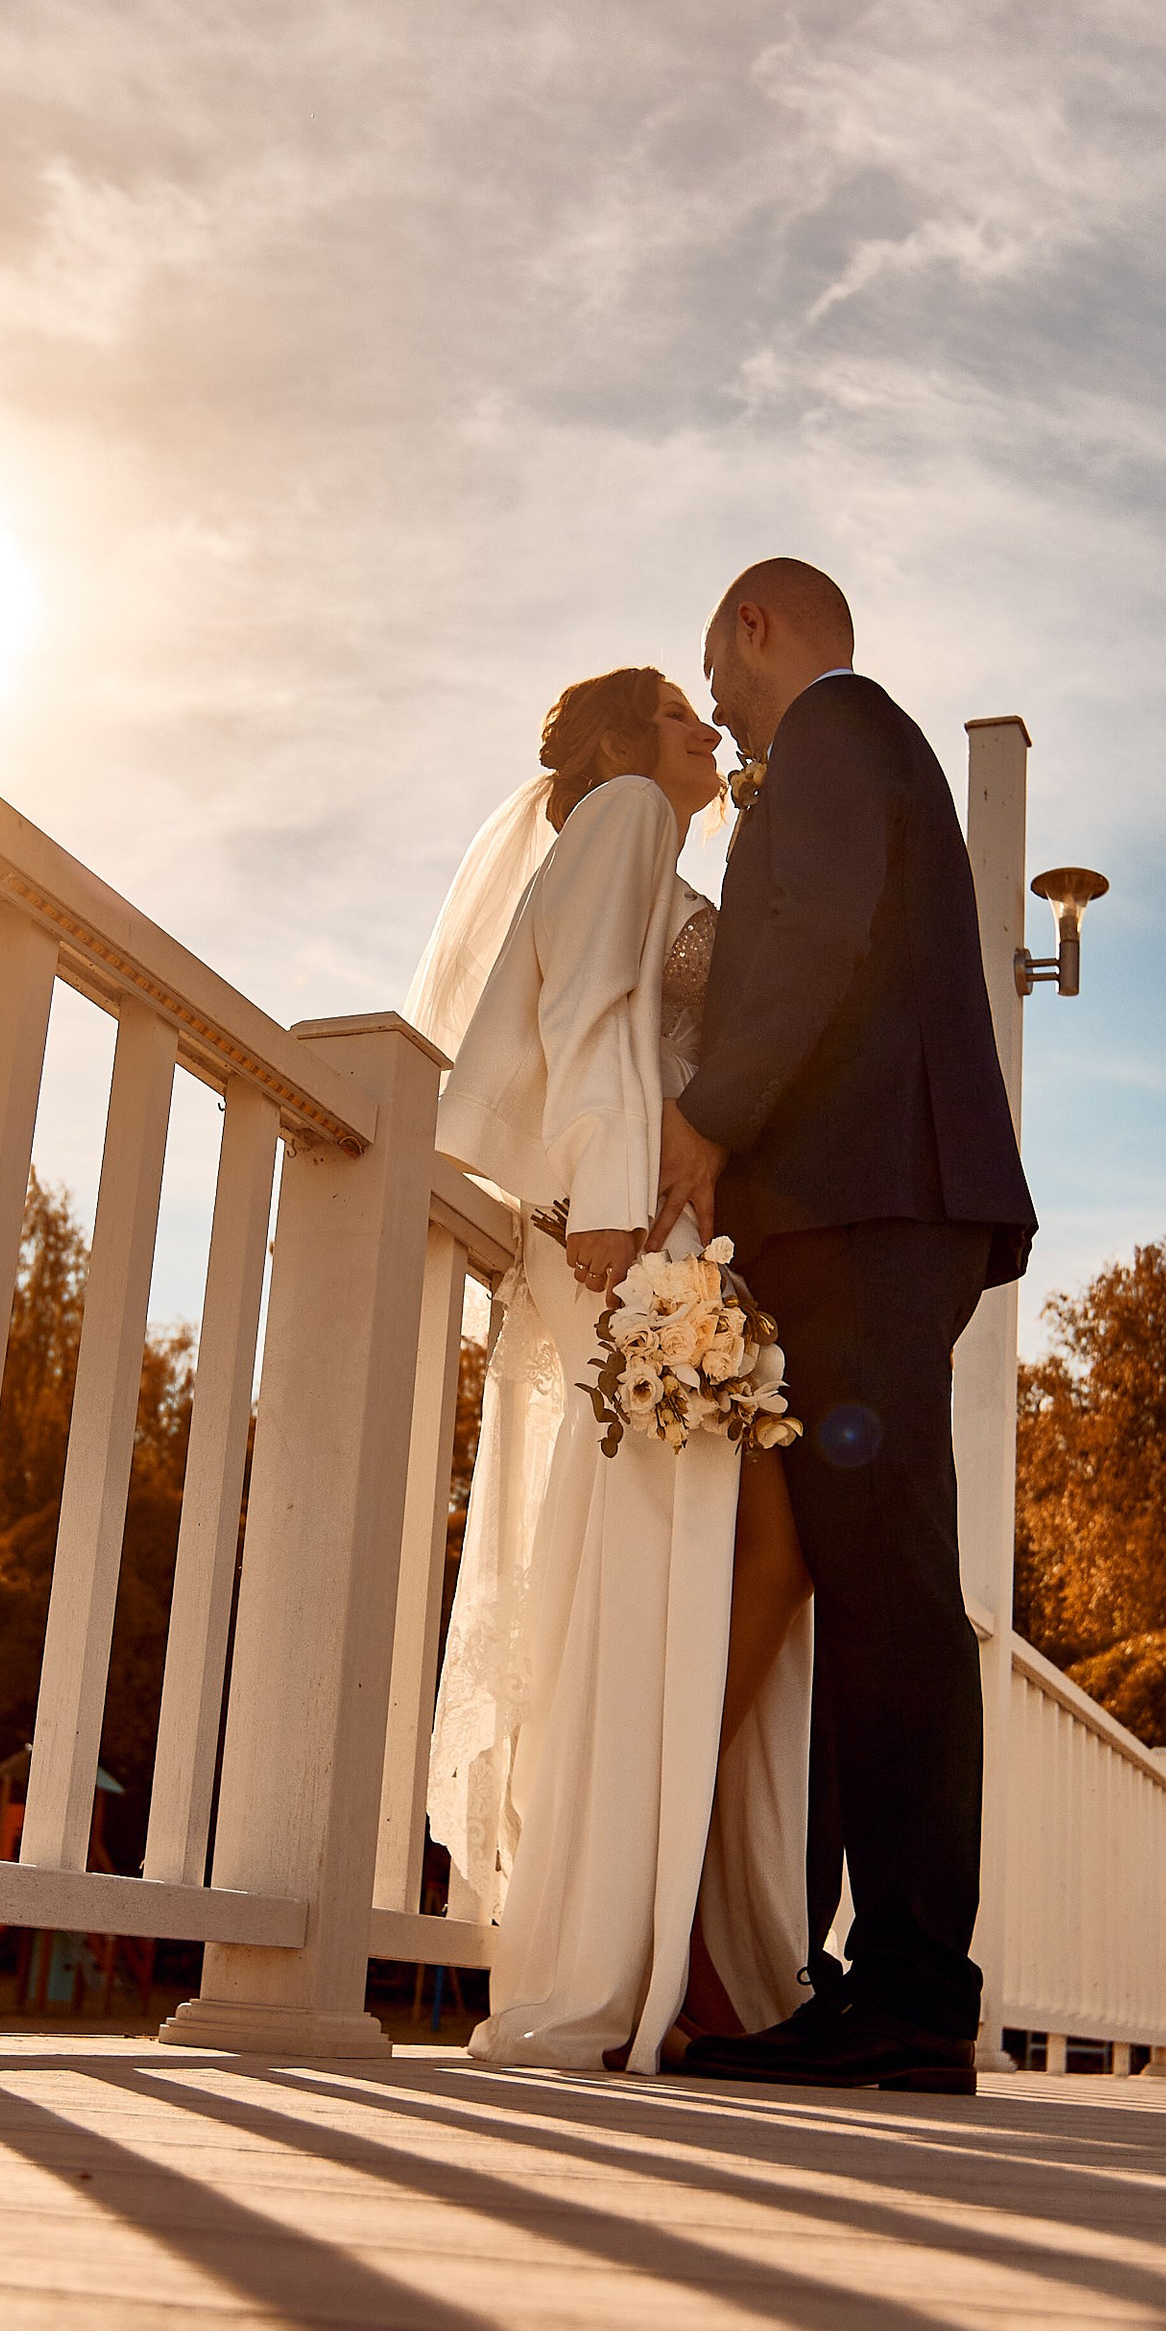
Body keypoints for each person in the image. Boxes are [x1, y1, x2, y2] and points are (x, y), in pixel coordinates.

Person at [653, 559, 1036, 2095]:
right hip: (875, 1211)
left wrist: (706, 1119)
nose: (724, 709)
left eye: (717, 671)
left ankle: (916, 1992)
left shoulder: (838, 731)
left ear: (756, 626)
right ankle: (864, 1981)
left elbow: (809, 942)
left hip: (869, 1207)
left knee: (892, 1594)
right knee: (872, 1588)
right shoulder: (861, 749)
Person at [412, 667, 814, 2072]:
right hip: (629, 1244)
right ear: (623, 743)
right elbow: (583, 1006)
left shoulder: (651, 839)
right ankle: (648, 1927)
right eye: (680, 713)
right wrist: (597, 1196)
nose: (706, 732)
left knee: (710, 1573)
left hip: (661, 1237)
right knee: (700, 1569)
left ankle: (667, 1906)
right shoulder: (628, 813)